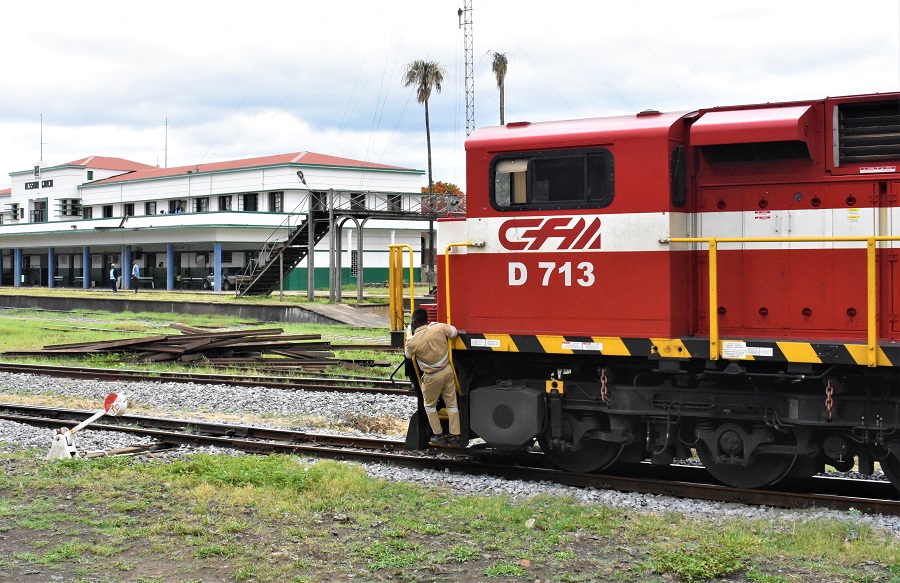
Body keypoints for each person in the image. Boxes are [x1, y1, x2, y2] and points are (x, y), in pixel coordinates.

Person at [404, 308, 465, 448]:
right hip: (447, 371)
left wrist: (409, 335)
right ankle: (453, 435)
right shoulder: (439, 328)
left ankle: (439, 435)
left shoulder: (412, 341)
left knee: (430, 406)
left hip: (432, 377)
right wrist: (436, 325)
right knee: (452, 404)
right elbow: (454, 332)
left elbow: (408, 355)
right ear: (427, 320)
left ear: (414, 321)